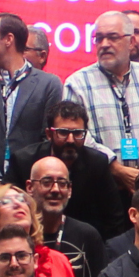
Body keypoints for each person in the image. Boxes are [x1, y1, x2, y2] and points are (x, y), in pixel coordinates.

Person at [64, 11, 139, 200]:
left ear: (131, 42)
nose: (104, 45)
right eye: (99, 38)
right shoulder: (77, 83)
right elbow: (78, 134)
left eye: (112, 38)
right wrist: (115, 167)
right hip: (102, 190)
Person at [0, 13, 65, 191]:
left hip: (31, 190)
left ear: (8, 39)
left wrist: (21, 183)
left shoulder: (49, 84)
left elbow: (48, 140)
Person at [40, 103, 127, 242]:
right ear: (49, 134)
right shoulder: (24, 162)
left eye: (77, 133)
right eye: (63, 132)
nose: (70, 140)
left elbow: (114, 219)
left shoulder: (97, 164)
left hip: (85, 245)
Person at [24, 156, 103, 277]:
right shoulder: (19, 236)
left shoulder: (88, 236)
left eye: (62, 183)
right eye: (46, 182)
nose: (55, 189)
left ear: (70, 190)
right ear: (30, 187)